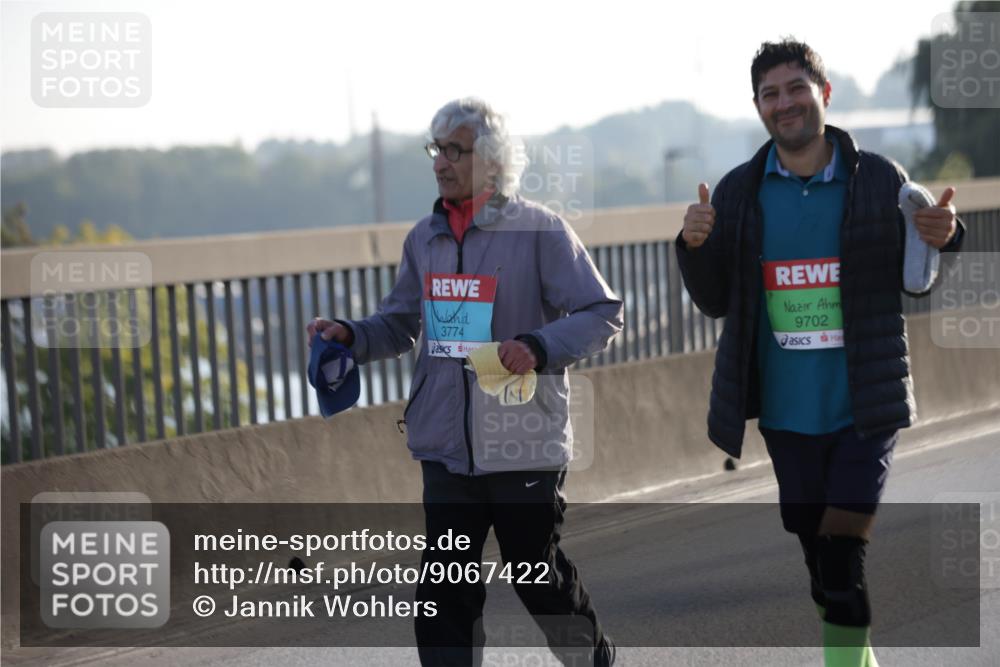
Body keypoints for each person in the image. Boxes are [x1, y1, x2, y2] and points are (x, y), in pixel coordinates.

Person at [675, 40, 964, 667]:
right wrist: (693, 246)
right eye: (770, 94)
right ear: (757, 107)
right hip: (785, 415)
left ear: (824, 95)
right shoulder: (738, 192)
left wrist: (951, 234)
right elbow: (716, 301)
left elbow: (922, 266)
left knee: (841, 558)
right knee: (822, 569)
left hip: (866, 403)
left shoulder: (879, 179)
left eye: (796, 89)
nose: (785, 104)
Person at [308, 97, 622, 666]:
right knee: (443, 592)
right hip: (447, 448)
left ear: (495, 163)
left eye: (456, 149)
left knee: (536, 577)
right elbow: (402, 324)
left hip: (522, 441)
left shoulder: (540, 230)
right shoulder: (424, 239)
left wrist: (537, 345)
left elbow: (602, 312)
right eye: (437, 149)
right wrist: (352, 334)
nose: (441, 161)